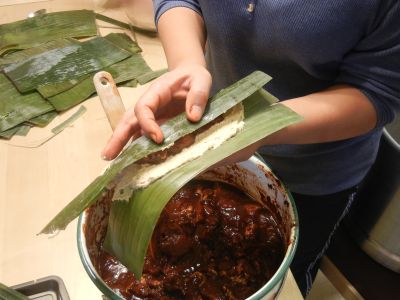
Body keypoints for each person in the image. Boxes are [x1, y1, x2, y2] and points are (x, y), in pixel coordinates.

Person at [102, 0, 400, 297]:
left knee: (289, 278)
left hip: (313, 174)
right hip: (206, 131)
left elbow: (378, 90)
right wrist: (187, 65)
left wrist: (258, 126)